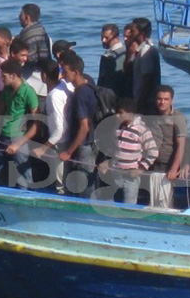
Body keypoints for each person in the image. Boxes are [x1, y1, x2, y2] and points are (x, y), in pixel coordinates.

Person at [0, 59, 39, 188]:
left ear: (13, 76)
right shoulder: (7, 90)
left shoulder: (28, 92)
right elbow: (0, 112)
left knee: (24, 179)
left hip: (18, 137)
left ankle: (26, 199)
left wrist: (18, 144)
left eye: (3, 76)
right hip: (2, 135)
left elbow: (36, 125)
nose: (1, 79)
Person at [98, 98, 158, 205]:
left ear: (130, 114)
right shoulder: (117, 128)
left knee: (129, 205)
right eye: (116, 113)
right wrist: (106, 161)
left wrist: (140, 168)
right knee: (115, 202)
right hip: (115, 173)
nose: (117, 116)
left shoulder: (142, 129)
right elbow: (112, 149)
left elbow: (153, 152)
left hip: (131, 176)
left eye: (120, 113)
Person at [31, 60, 74, 194]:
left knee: (60, 186)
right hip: (69, 139)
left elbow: (59, 130)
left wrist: (43, 148)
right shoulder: (65, 85)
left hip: (60, 144)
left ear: (44, 75)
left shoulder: (54, 96)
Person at [57, 54, 97, 198]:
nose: (63, 75)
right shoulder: (89, 86)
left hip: (83, 146)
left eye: (65, 71)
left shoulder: (80, 94)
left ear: (76, 72)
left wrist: (68, 152)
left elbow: (84, 127)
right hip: (90, 142)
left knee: (83, 184)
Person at [147, 85, 187, 208]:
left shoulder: (178, 117)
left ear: (172, 100)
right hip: (151, 164)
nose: (162, 102)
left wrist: (174, 169)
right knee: (152, 202)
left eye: (166, 99)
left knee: (164, 202)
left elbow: (181, 145)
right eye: (159, 99)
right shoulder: (151, 115)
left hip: (167, 165)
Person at [125, 17, 161, 115]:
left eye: (133, 31)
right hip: (140, 98)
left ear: (142, 33)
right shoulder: (139, 49)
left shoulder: (147, 51)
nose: (130, 34)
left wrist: (140, 102)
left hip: (147, 102)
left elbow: (147, 79)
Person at [14, 3, 51, 70]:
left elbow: (29, 59)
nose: (19, 17)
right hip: (44, 68)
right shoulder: (41, 30)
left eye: (21, 14)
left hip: (33, 71)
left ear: (27, 17)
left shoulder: (29, 35)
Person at [98, 23, 128, 98]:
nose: (103, 40)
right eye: (102, 37)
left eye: (106, 38)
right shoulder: (108, 54)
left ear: (116, 38)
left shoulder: (121, 54)